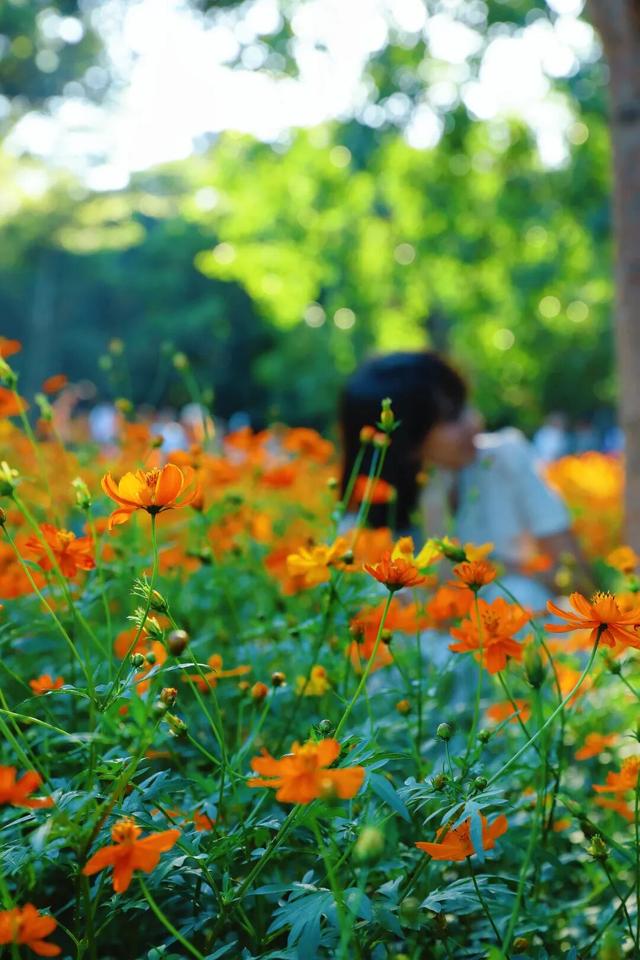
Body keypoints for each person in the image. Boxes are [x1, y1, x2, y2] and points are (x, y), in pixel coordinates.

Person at [339, 351, 586, 609]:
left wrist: (495, 572)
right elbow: (430, 621)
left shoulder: (506, 458)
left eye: (466, 404)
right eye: (451, 417)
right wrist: (435, 518)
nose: (475, 422)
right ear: (404, 442)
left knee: (517, 594)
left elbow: (580, 579)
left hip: (528, 633)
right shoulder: (356, 534)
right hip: (436, 646)